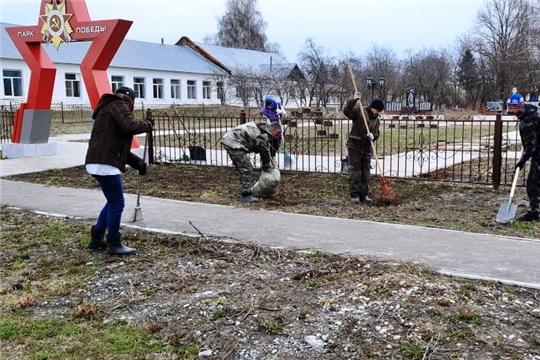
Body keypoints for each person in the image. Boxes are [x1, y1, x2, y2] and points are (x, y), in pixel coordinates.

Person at [85, 86, 154, 255]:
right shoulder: (118, 104)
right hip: (105, 163)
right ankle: (114, 243)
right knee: (117, 203)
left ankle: (96, 238)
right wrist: (148, 124)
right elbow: (131, 126)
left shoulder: (108, 108)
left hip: (98, 160)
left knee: (112, 201)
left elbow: (116, 147)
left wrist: (138, 163)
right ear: (131, 99)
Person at [221, 118, 282, 203]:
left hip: (230, 140)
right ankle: (245, 194)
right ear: (274, 129)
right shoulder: (263, 134)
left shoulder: (261, 127)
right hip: (233, 143)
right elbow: (264, 151)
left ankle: (244, 189)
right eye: (277, 133)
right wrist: (266, 165)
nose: (276, 136)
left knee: (243, 169)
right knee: (247, 169)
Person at [343, 94, 383, 204]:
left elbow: (376, 133)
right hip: (354, 145)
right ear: (373, 108)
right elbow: (347, 111)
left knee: (366, 171)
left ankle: (364, 195)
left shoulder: (376, 120)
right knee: (355, 171)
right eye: (378, 110)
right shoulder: (359, 111)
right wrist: (354, 99)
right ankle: (354, 195)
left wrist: (373, 137)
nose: (378, 113)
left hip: (366, 147)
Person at [507, 93, 540, 221]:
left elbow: (531, 146)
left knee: (533, 183)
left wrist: (522, 161)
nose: (510, 110)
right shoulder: (531, 110)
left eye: (512, 108)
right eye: (509, 107)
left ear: (519, 107)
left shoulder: (528, 120)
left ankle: (534, 212)